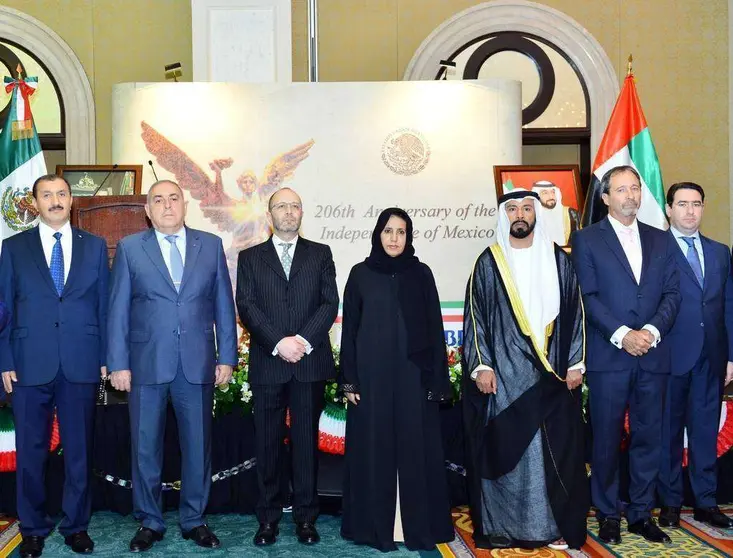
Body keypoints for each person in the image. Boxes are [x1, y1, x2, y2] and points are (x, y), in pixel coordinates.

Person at [107, 180, 237, 552]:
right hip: (145, 365)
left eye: (174, 198)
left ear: (185, 205)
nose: (167, 206)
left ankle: (194, 519)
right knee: (145, 447)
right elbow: (117, 310)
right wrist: (117, 363)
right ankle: (149, 521)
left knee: (198, 446)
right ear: (147, 210)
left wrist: (226, 355)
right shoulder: (131, 249)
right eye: (158, 200)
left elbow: (223, 306)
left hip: (196, 364)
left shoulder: (209, 246)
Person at [462, 189, 588, 551]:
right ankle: (505, 527)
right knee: (510, 453)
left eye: (527, 208)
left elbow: (575, 312)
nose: (520, 214)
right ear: (505, 215)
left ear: (537, 214)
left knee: (553, 453)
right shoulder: (489, 262)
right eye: (513, 208)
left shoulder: (558, 260)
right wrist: (481, 366)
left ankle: (554, 525)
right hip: (505, 377)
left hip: (553, 377)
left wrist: (577, 361)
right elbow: (476, 319)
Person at [0, 174, 108, 557]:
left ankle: (76, 526)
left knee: (79, 450)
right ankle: (32, 527)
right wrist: (4, 359)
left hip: (81, 361)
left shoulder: (94, 247)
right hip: (28, 363)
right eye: (47, 195)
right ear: (35, 202)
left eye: (62, 194)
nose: (56, 200)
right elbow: (3, 309)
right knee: (32, 451)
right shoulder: (13, 248)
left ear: (72, 201)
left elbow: (105, 306)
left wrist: (107, 358)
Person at [572, 165, 680, 546]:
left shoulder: (662, 240)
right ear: (605, 198)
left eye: (635, 188)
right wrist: (622, 335)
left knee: (649, 438)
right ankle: (607, 513)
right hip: (610, 357)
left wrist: (649, 332)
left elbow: (672, 295)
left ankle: (640, 513)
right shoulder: (586, 239)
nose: (631, 196)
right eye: (621, 190)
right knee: (605, 439)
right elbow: (588, 296)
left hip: (652, 356)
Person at [338, 208, 454, 552]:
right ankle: (375, 528)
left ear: (409, 236)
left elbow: (435, 328)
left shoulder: (421, 274)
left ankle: (416, 527)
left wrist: (437, 381)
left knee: (416, 450)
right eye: (388, 231)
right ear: (378, 234)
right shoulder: (360, 274)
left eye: (401, 232)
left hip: (414, 380)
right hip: (371, 381)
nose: (393, 238)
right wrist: (350, 382)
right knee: (375, 451)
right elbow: (350, 334)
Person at [236, 187, 338, 546]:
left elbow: (329, 303)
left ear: (302, 213)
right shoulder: (250, 258)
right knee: (266, 445)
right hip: (269, 362)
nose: (289, 212)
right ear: (269, 215)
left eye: (295, 206)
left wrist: (303, 342)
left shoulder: (321, 254)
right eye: (282, 206)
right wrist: (279, 342)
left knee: (306, 445)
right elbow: (246, 306)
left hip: (309, 363)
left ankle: (307, 519)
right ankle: (267, 519)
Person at [658, 182, 733, 529]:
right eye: (683, 204)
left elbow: (728, 306)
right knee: (668, 433)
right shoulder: (655, 250)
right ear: (669, 209)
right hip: (669, 357)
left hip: (712, 358)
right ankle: (671, 503)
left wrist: (730, 357)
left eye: (697, 204)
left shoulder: (720, 252)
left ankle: (705, 502)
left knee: (704, 433)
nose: (690, 211)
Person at [531, 180, 579, 247]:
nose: (551, 197)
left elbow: (579, 239)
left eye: (553, 192)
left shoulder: (571, 213)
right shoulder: (532, 216)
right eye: (545, 193)